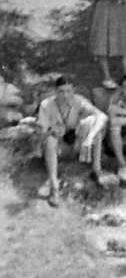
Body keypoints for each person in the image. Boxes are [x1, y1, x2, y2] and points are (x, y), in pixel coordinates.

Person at [35, 76, 109, 205]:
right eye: (61, 91)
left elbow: (102, 116)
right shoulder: (46, 105)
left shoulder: (79, 101)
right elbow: (42, 131)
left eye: (68, 91)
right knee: (50, 140)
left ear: (73, 90)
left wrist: (89, 137)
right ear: (55, 91)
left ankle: (96, 171)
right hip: (56, 148)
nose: (65, 95)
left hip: (75, 144)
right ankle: (54, 187)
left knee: (94, 127)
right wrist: (54, 131)